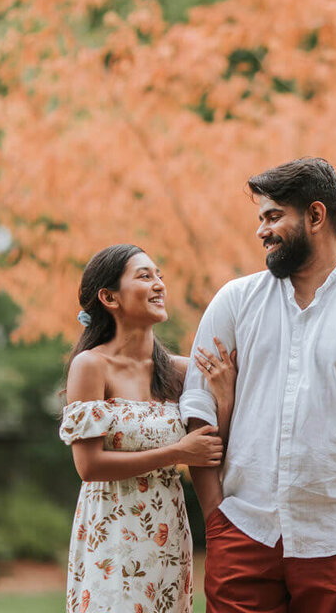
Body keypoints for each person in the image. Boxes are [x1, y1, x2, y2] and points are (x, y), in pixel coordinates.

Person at [181, 158, 336, 613]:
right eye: (260, 219)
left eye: (273, 217)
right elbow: (198, 409)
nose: (261, 231)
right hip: (243, 531)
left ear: (315, 216)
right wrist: (217, 520)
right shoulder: (234, 301)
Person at [60, 243, 238, 613]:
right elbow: (89, 466)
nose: (159, 284)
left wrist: (224, 396)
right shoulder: (92, 366)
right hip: (111, 535)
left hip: (167, 535)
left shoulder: (180, 371)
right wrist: (176, 453)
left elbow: (211, 447)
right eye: (145, 276)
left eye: (160, 275)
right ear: (109, 297)